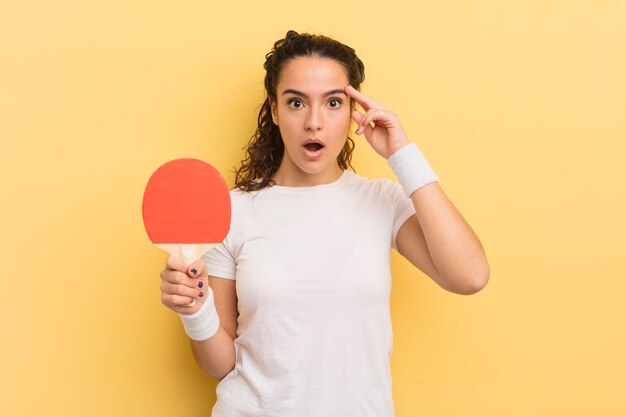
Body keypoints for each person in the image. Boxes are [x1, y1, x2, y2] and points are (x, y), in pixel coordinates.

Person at [158, 30, 489, 416]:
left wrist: (402, 153)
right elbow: (220, 365)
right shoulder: (232, 212)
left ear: (353, 113)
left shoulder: (381, 201)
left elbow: (470, 276)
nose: (314, 122)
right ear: (275, 109)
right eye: (296, 102)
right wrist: (195, 311)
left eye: (333, 103)